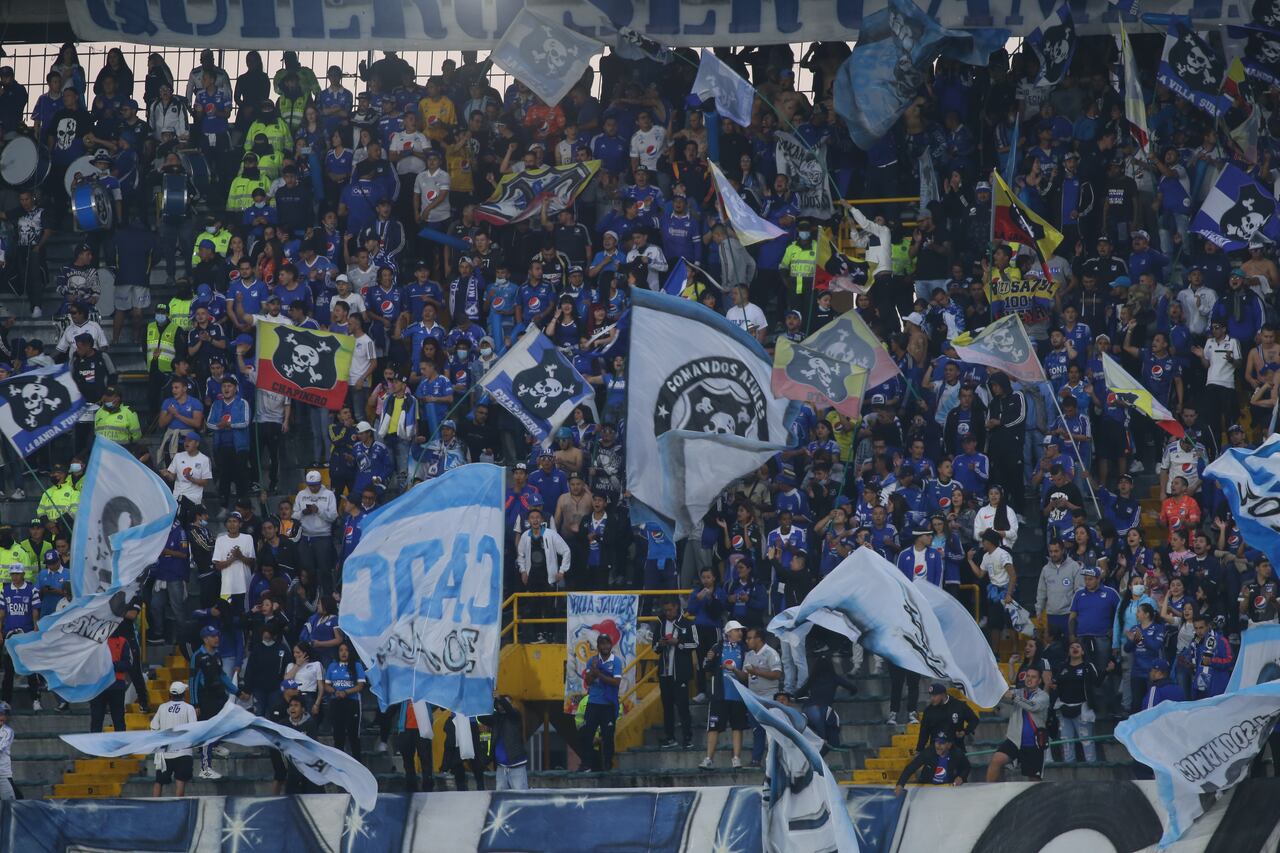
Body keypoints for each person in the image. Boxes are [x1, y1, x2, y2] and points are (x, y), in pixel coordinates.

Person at [986, 667, 1050, 782]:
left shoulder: (1044, 696)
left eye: (1033, 677)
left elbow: (1033, 706)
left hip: (1034, 743)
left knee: (1034, 779)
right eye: (1028, 676)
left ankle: (1036, 799)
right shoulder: (1019, 692)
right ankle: (988, 793)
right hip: (1014, 740)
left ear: (1039, 681)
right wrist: (996, 681)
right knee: (996, 760)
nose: (1029, 679)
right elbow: (1001, 696)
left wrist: (1014, 697)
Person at [700, 620, 749, 770]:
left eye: (740, 630)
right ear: (728, 633)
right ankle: (709, 759)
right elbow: (705, 667)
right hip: (719, 695)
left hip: (738, 695)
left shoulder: (744, 648)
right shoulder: (718, 647)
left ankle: (736, 758)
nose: (740, 633)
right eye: (736, 630)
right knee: (714, 728)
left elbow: (746, 672)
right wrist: (709, 658)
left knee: (737, 727)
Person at [654, 598, 695, 750]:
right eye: (665, 610)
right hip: (664, 672)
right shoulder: (660, 623)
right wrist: (661, 643)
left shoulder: (687, 623)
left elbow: (695, 644)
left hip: (680, 672)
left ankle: (687, 737)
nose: (667, 613)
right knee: (667, 707)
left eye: (670, 610)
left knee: (683, 706)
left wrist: (678, 643)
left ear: (676, 607)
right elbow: (654, 648)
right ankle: (670, 737)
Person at [739, 626, 783, 767]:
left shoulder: (771, 653)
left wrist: (756, 671)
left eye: (750, 638)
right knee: (757, 730)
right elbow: (746, 676)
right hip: (753, 698)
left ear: (759, 639)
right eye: (747, 638)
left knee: (771, 732)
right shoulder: (749, 654)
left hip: (769, 697)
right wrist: (733, 670)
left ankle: (774, 762)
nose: (747, 640)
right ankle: (756, 760)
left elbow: (777, 674)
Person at [579, 633, 622, 772]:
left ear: (611, 645)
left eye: (607, 643)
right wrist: (592, 671)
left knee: (608, 737)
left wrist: (599, 674)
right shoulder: (592, 661)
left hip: (608, 705)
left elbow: (616, 682)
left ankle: (608, 766)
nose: (605, 646)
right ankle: (586, 765)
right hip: (593, 703)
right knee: (587, 735)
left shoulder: (616, 661)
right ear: (598, 646)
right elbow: (587, 682)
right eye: (602, 644)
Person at [150, 682, 198, 797]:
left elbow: (153, 727)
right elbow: (194, 729)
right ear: (183, 694)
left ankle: (153, 807)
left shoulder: (162, 707)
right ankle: (178, 809)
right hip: (183, 751)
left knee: (159, 782)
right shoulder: (189, 708)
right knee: (180, 782)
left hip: (164, 752)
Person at [322, 641, 366, 760]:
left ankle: (358, 765)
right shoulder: (332, 666)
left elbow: (360, 686)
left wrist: (346, 692)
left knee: (353, 735)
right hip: (336, 702)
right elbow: (326, 685)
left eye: (346, 650)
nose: (343, 653)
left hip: (352, 702)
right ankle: (340, 766)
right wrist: (335, 692)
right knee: (338, 734)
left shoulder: (356, 665)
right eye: (341, 650)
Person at [915, 683, 978, 756]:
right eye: (931, 696)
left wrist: (965, 731)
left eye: (935, 696)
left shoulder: (959, 705)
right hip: (936, 752)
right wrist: (919, 750)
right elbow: (924, 732)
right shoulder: (929, 711)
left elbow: (974, 719)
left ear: (943, 695)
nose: (932, 698)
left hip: (957, 750)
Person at [895, 733, 969, 793]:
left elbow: (966, 767)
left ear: (949, 745)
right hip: (929, 788)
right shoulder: (928, 752)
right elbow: (912, 766)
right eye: (937, 742)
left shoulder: (957, 753)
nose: (938, 746)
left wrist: (961, 777)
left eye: (942, 743)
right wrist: (900, 784)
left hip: (949, 790)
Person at [491, 694, 529, 790]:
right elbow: (483, 718)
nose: (502, 705)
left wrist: (500, 698)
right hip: (501, 768)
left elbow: (509, 710)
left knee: (521, 797)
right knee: (500, 798)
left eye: (506, 702)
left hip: (516, 767)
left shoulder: (515, 716)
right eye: (500, 703)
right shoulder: (497, 718)